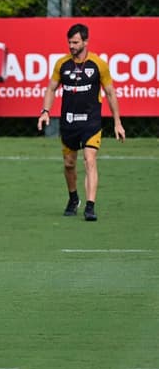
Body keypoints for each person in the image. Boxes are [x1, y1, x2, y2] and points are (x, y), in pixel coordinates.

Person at [37, 23, 125, 221]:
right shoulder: (62, 64)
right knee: (69, 164)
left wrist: (117, 123)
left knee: (90, 160)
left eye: (75, 42)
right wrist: (45, 111)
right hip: (69, 123)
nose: (71, 46)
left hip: (91, 123)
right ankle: (73, 198)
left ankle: (90, 206)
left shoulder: (98, 64)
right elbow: (51, 88)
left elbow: (110, 93)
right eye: (69, 42)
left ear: (86, 41)